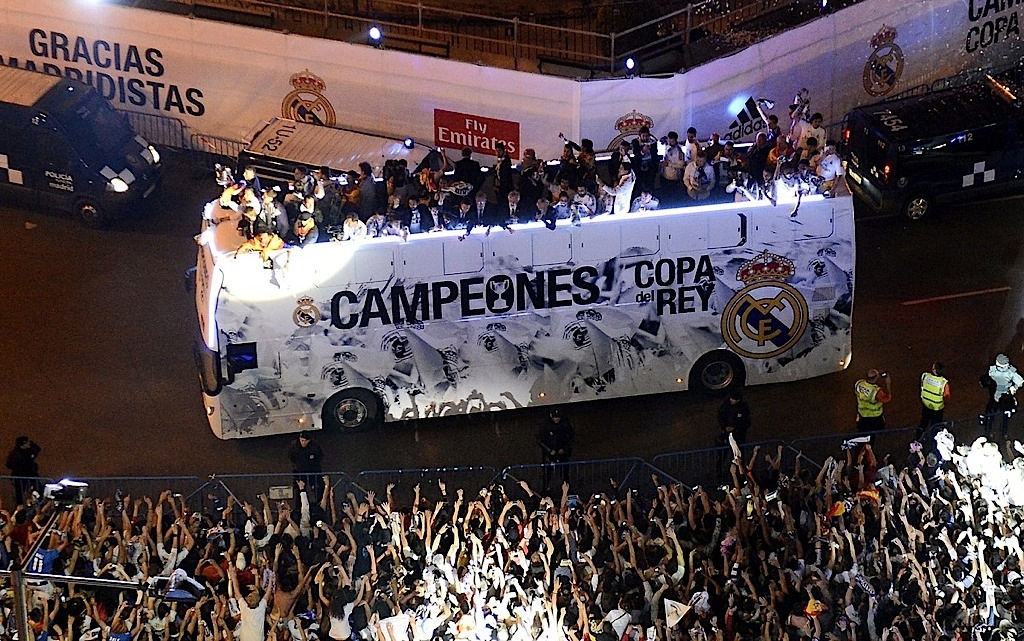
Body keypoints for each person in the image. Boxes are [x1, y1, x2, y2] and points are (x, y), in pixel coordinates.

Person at [982, 353, 1023, 440]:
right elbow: (984, 380)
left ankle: (1003, 433)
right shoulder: (992, 370)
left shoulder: (1010, 372)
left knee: (1004, 416)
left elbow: (1020, 381)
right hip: (994, 395)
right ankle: (988, 431)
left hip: (1005, 396)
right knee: (990, 413)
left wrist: (1014, 387)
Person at [537, 409, 574, 492]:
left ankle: (566, 489)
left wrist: (564, 449)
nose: (556, 419)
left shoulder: (565, 424)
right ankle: (545, 489)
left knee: (564, 473)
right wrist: (549, 450)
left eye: (558, 417)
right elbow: (540, 440)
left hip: (563, 453)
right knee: (547, 473)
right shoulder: (545, 425)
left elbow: (570, 438)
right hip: (549, 454)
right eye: (555, 417)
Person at [288, 430, 324, 499]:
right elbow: (291, 457)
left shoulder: (314, 446)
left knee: (317, 488)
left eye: (305, 441)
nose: (303, 443)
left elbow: (320, 456)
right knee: (299, 489)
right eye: (302, 440)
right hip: (299, 471)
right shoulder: (294, 446)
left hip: (313, 470)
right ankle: (299, 504)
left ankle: (318, 502)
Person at [6, 435, 41, 505]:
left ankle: (33, 501)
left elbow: (37, 449)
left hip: (30, 475)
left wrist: (32, 444)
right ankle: (20, 506)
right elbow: (9, 464)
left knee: (37, 488)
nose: (29, 444)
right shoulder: (15, 454)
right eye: (27, 442)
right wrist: (20, 467)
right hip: (20, 476)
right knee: (19, 493)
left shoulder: (28, 452)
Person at [919, 361, 950, 435]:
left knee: (923, 422)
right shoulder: (943, 382)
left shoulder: (925, 376)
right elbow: (947, 396)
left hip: (926, 404)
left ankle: (918, 437)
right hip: (937, 408)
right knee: (936, 426)